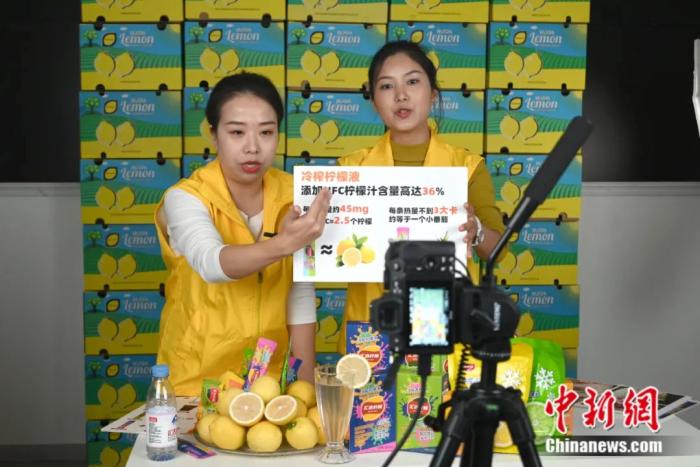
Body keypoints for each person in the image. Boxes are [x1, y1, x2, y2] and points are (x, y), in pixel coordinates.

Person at [155, 73, 331, 395]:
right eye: (237, 132)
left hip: (268, 384)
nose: (252, 147)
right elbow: (211, 263)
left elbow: (300, 293)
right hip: (196, 382)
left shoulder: (296, 194)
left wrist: (305, 390)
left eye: (266, 132)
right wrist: (284, 244)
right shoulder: (185, 197)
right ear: (213, 134)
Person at [337, 41, 506, 349]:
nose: (401, 95)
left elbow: (498, 249)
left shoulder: (467, 167)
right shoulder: (350, 168)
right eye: (387, 86)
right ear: (374, 101)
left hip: (444, 327)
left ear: (433, 95)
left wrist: (477, 230)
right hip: (370, 333)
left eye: (412, 82)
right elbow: (325, 249)